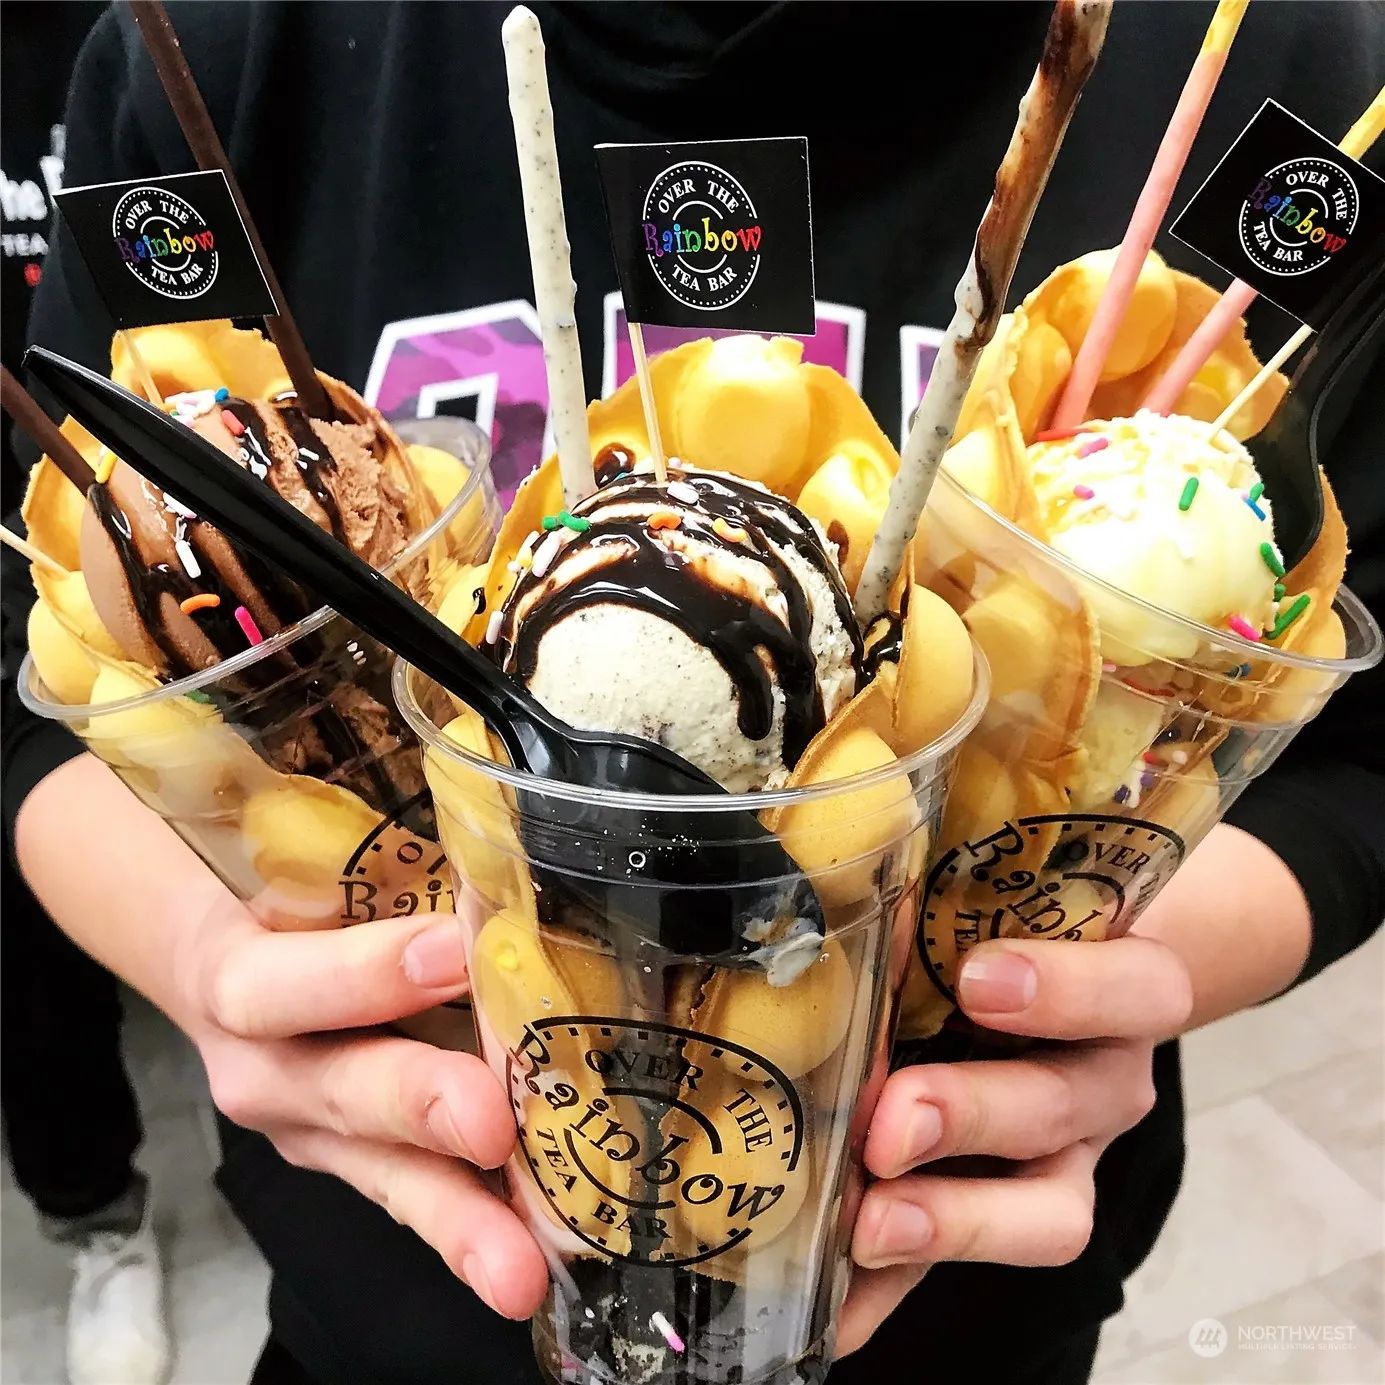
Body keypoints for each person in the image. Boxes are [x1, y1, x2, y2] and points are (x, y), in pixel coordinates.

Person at [6, 3, 1383, 1383]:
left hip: (958, 1304)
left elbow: (1360, 758)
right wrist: (204, 961)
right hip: (382, 1308)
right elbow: (32, 693)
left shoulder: (1275, 49)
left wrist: (1092, 972)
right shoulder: (223, 38)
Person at [1, 4, 172, 1382]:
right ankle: (95, 1216)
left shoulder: (150, 39)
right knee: (21, 914)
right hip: (19, 555)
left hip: (152, 532)